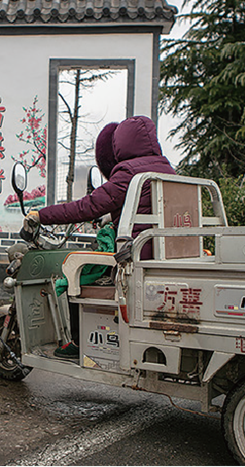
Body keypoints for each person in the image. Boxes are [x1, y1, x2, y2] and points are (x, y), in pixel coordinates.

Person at [23, 115, 175, 359]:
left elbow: (87, 207)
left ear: (121, 144)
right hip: (160, 257)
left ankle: (79, 343)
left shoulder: (128, 172)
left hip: (133, 262)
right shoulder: (166, 168)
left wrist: (41, 215)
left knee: (75, 272)